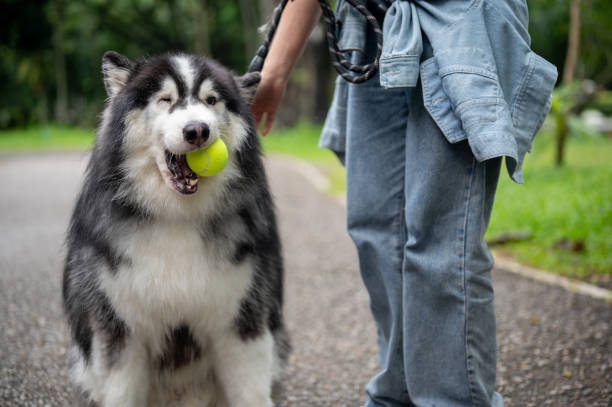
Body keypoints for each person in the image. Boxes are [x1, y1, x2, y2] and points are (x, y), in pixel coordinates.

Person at [251, 0, 557, 406]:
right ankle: (397, 394)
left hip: (457, 19)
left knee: (441, 243)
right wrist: (274, 72)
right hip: (370, 26)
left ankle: (451, 400)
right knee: (376, 232)